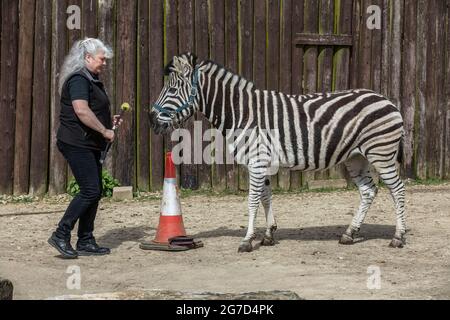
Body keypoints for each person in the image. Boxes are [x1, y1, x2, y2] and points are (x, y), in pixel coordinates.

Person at [48, 38, 122, 259]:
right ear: (88, 58)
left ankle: (86, 239)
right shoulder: (79, 79)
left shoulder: (92, 78)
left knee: (95, 190)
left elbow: (92, 109)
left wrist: (109, 122)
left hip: (88, 142)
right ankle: (61, 234)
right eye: (102, 59)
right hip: (76, 142)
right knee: (90, 190)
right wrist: (104, 130)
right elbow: (81, 110)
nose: (105, 63)